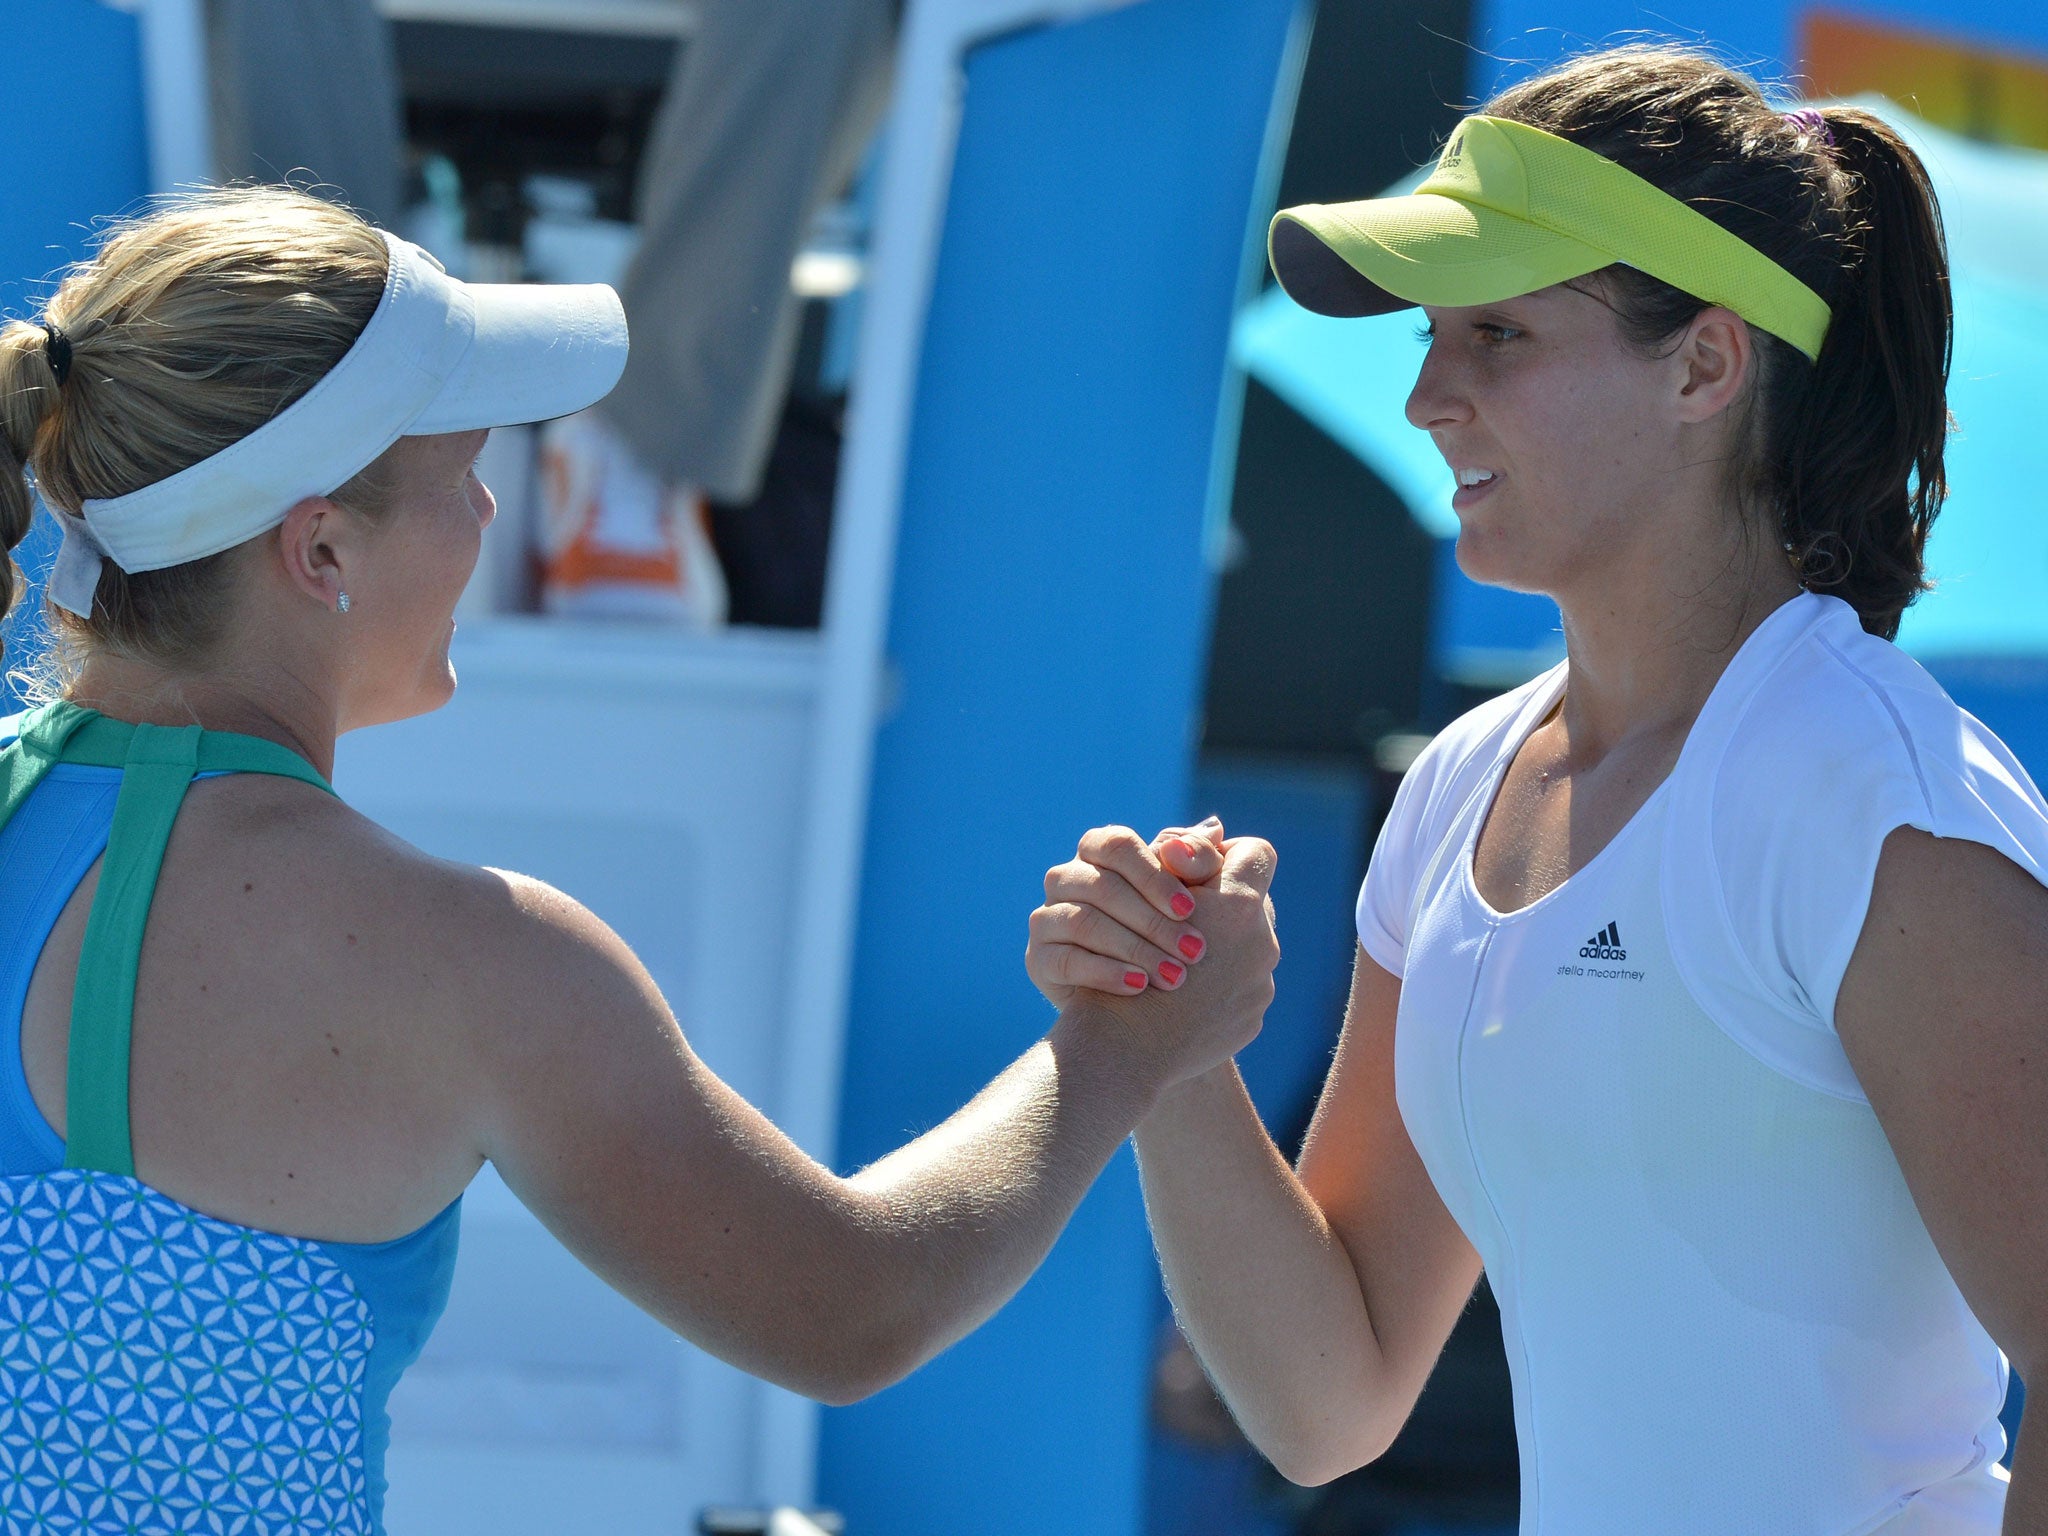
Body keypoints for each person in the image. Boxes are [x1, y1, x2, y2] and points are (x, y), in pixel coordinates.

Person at [0, 186, 1278, 1535]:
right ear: (319, 547)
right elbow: (848, 1311)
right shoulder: (481, 963)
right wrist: (1130, 1043)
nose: (491, 515)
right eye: (464, 472)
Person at [1026, 43, 2048, 1534]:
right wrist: (1170, 1050)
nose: (1431, 395)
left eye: (1498, 336)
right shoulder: (1459, 788)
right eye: (1436, 336)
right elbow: (1327, 1402)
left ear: (1705, 364)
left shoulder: (1878, 806)